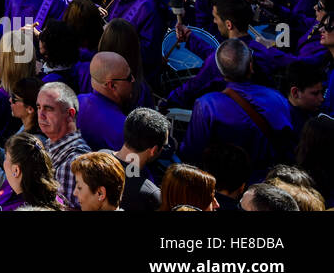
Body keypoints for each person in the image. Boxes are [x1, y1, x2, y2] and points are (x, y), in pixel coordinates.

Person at [182, 38, 295, 180]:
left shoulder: (207, 105)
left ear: (221, 72)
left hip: (224, 185)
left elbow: (192, 152)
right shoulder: (278, 99)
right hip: (267, 183)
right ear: (251, 66)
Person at [36, 81, 91, 209]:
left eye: (48, 109)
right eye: (39, 107)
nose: (41, 115)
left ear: (70, 114)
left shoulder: (74, 162)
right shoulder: (49, 142)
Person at [108, 107, 169, 212]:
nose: (163, 150)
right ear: (153, 150)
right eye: (164, 146)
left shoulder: (98, 157)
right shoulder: (152, 196)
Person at [76, 51, 136, 151]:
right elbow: (135, 165)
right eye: (129, 77)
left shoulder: (76, 102)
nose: (133, 80)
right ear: (112, 85)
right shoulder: (122, 128)